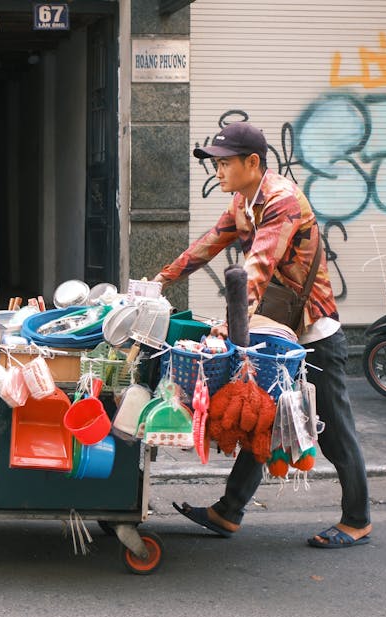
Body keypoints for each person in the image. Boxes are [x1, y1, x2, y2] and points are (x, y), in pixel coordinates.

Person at [155, 121, 372, 549]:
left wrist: (233, 322)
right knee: (262, 419)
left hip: (312, 332)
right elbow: (208, 243)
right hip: (278, 329)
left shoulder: (282, 201)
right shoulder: (243, 202)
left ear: (252, 162)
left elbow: (258, 267)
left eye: (225, 163)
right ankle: (228, 512)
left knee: (333, 429)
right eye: (215, 164)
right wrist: (159, 279)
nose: (217, 171)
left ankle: (358, 518)